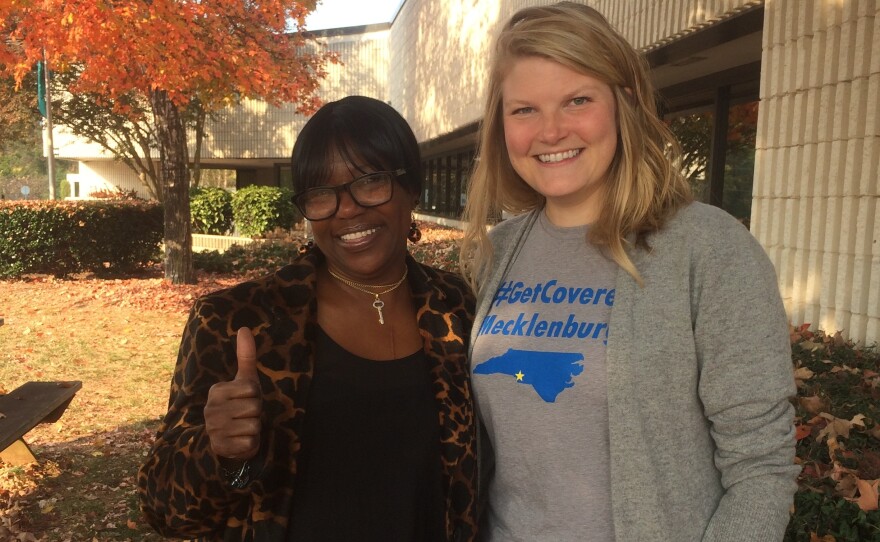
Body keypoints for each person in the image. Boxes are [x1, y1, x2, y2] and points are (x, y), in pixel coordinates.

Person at [459, 3, 799, 541]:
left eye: (577, 100)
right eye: (524, 110)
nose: (551, 131)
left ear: (625, 103)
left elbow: (762, 469)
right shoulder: (495, 254)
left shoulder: (707, 249)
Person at [138, 95, 479, 541]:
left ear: (411, 187)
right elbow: (165, 513)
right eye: (321, 193)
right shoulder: (237, 322)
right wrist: (217, 452)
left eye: (370, 181)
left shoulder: (459, 309)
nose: (348, 208)